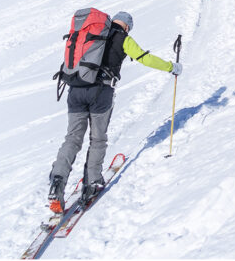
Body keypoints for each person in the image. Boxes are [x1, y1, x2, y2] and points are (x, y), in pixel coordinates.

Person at [48, 12, 180, 210]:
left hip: (75, 90)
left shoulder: (89, 35)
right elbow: (145, 59)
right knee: (97, 138)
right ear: (127, 26)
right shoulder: (123, 38)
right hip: (100, 92)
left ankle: (57, 182)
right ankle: (92, 183)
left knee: (72, 138)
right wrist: (171, 67)